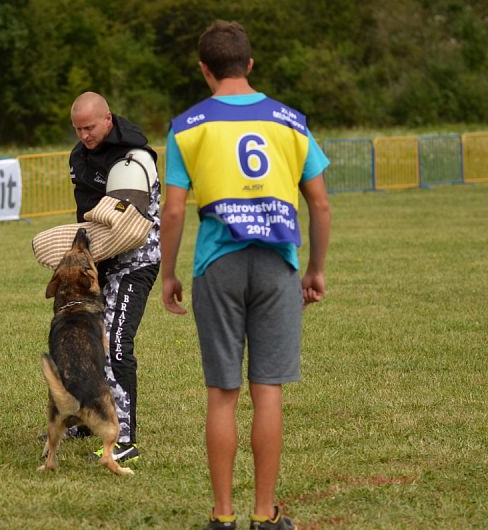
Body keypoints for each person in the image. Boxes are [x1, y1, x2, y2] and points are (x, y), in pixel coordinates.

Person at [160, 21, 331, 530]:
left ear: (204, 69)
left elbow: (171, 212)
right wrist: (315, 269)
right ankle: (265, 513)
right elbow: (319, 204)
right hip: (278, 264)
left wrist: (167, 272)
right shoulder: (290, 121)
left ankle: (221, 516)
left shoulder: (186, 125)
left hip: (217, 265)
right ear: (250, 65)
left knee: (222, 393)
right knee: (268, 390)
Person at [68, 91, 161, 463]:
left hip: (135, 263)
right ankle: (87, 419)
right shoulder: (78, 156)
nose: (84, 135)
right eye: (77, 129)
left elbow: (125, 225)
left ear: (107, 119)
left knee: (117, 345)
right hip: (99, 262)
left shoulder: (134, 159)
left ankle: (124, 441)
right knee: (85, 342)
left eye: (89, 127)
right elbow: (84, 213)